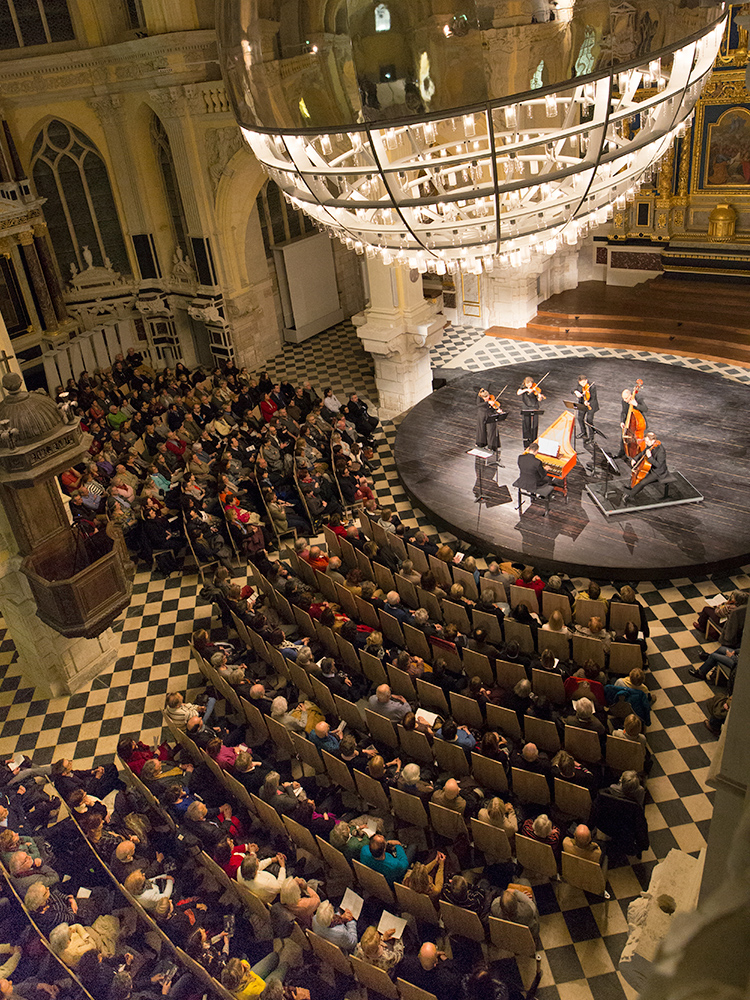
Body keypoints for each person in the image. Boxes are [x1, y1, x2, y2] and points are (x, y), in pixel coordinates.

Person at [396, 942, 461, 1000]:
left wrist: (429, 956)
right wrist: (447, 961)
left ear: (418, 956)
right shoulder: (446, 979)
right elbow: (458, 980)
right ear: (436, 962)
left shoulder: (406, 965)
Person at [622, 432, 670, 503]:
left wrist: (650, 457)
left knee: (643, 482)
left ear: (652, 440)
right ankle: (632, 488)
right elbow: (643, 453)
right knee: (636, 473)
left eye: (647, 441)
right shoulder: (651, 445)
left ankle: (630, 494)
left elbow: (658, 465)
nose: (646, 443)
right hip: (651, 468)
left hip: (658, 472)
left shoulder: (661, 451)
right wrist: (635, 459)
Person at [475, 388, 502, 453]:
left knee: (491, 430)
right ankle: (481, 443)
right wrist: (487, 402)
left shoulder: (490, 398)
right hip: (482, 415)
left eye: (488, 397)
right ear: (482, 397)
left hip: (489, 414)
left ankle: (492, 446)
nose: (487, 398)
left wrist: (497, 410)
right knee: (481, 429)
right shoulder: (479, 399)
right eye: (486, 398)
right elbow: (478, 405)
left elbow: (493, 407)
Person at [573, 374, 598, 442]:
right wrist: (576, 392)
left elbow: (593, 398)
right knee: (580, 418)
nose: (583, 385)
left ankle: (591, 437)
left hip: (591, 405)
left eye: (584, 383)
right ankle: (584, 432)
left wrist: (587, 402)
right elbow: (573, 390)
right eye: (581, 383)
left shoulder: (592, 386)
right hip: (583, 404)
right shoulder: (580, 385)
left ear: (586, 380)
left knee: (589, 421)